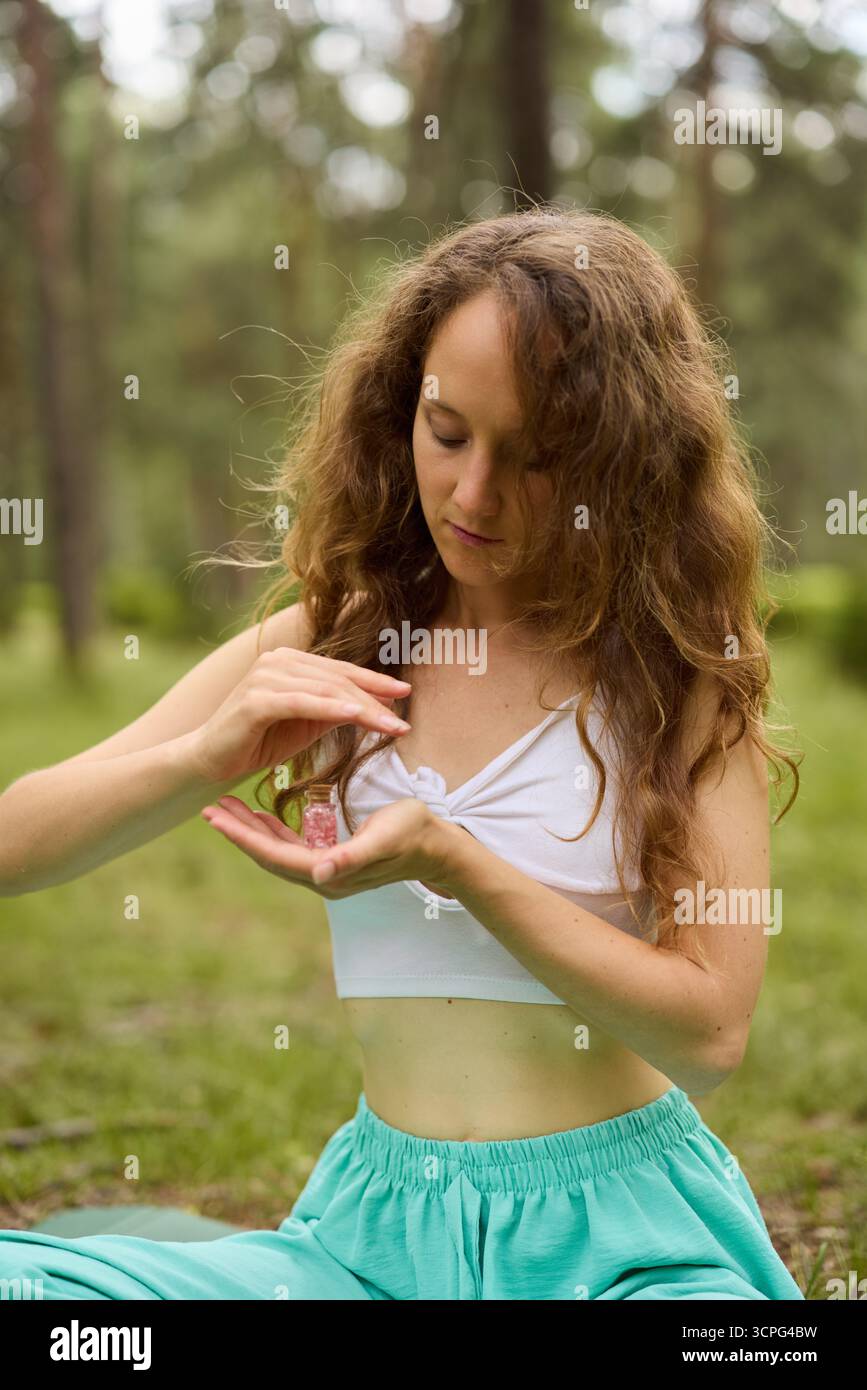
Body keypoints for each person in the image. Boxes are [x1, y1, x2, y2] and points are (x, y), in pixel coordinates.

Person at [0, 208, 804, 1300]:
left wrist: (457, 861)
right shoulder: (332, 643)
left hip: (623, 1245)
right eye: (447, 429)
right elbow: (16, 840)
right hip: (369, 1243)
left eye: (532, 457)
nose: (471, 494)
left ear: (619, 462)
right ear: (401, 409)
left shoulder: (678, 679)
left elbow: (712, 1031)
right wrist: (204, 753)